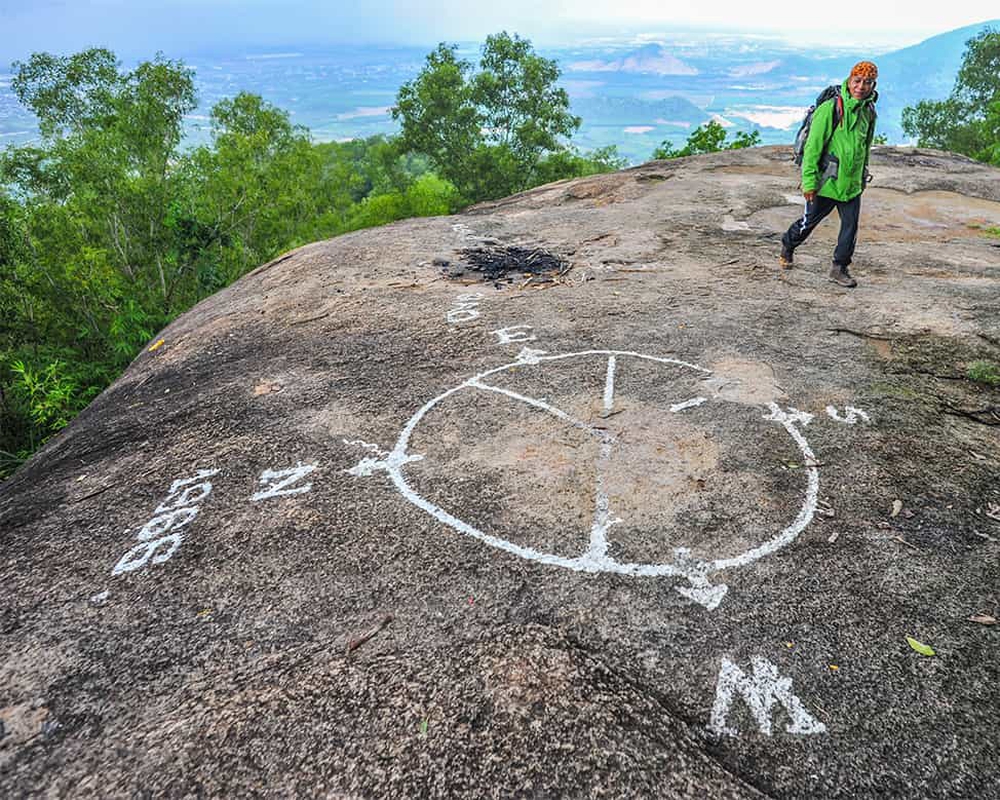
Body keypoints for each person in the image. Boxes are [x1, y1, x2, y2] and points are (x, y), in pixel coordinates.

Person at [780, 61, 879, 287]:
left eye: (867, 82)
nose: (861, 87)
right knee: (809, 223)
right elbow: (813, 148)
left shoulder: (869, 111)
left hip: (852, 183)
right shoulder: (831, 109)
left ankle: (839, 267)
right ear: (849, 80)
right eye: (857, 81)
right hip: (827, 181)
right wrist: (809, 183)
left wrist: (862, 175)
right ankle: (788, 243)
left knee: (850, 226)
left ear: (873, 85)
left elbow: (864, 147)